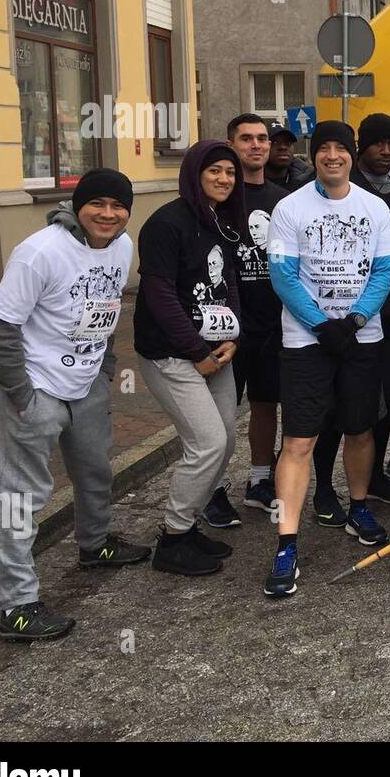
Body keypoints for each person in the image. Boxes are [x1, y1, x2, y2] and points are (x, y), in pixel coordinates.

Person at [0, 169, 149, 640]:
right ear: (77, 206)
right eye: (97, 203)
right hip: (36, 388)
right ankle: (16, 606)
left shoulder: (121, 246)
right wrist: (22, 395)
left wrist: (103, 369)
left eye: (118, 206)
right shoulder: (39, 252)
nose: (108, 213)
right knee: (24, 495)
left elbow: (108, 308)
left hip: (87, 384)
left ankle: (94, 546)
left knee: (96, 471)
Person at [263, 121, 390, 597]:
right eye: (324, 149)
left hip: (361, 337)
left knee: (359, 428)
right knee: (299, 439)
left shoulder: (375, 206)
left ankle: (358, 505)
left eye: (342, 148)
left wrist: (355, 320)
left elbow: (384, 271)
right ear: (313, 155)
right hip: (306, 341)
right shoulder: (288, 208)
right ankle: (286, 542)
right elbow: (283, 275)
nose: (333, 156)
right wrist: (321, 324)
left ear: (352, 155)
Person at [135, 141, 245, 576]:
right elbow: (160, 296)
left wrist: (234, 336)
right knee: (207, 443)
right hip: (172, 354)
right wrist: (196, 352)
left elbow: (229, 281)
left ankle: (189, 524)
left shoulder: (220, 221)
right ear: (194, 174)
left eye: (229, 173)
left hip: (218, 350)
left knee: (226, 442)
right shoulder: (166, 223)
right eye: (214, 171)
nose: (223, 179)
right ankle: (173, 538)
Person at [310, 113, 390, 524]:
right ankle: (322, 488)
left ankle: (370, 479)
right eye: (376, 143)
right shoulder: (335, 192)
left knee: (383, 402)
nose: (386, 151)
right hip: (335, 320)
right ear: (359, 150)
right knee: (333, 409)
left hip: (386, 317)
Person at [223, 114, 288, 521]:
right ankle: (211, 489)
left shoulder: (283, 200)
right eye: (246, 138)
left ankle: (260, 480)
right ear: (231, 144)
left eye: (262, 138)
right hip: (223, 326)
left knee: (267, 404)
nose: (256, 145)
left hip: (271, 322)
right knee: (219, 413)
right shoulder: (219, 196)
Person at [265, 122, 314, 191]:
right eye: (275, 143)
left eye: (288, 143)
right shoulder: (248, 181)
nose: (283, 147)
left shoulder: (309, 181)